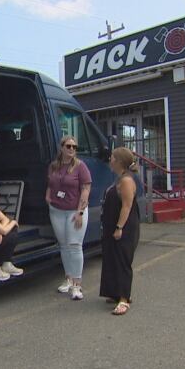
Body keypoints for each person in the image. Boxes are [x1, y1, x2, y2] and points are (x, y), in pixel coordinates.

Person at [45, 135, 92, 300]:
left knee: (75, 245)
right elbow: (50, 184)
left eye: (74, 147)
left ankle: (78, 285)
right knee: (64, 245)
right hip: (57, 210)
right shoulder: (54, 166)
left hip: (74, 211)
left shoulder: (80, 166)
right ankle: (69, 279)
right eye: (68, 146)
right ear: (62, 147)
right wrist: (48, 197)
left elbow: (86, 189)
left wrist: (80, 212)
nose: (72, 149)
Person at [100, 147, 141, 315]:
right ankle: (116, 292)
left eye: (112, 158)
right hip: (112, 225)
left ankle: (124, 299)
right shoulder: (120, 178)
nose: (110, 160)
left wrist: (119, 227)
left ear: (118, 161)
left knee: (123, 260)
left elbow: (126, 206)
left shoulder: (126, 181)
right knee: (112, 258)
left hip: (124, 227)